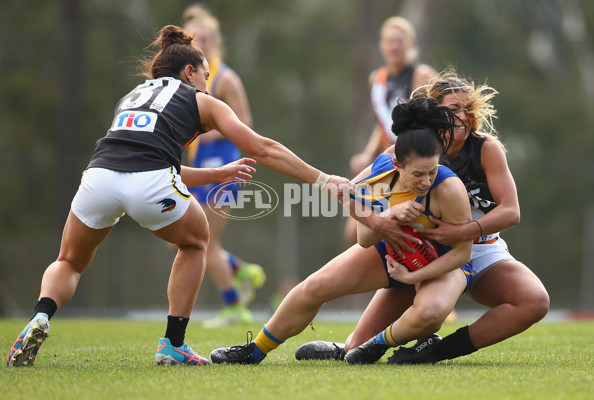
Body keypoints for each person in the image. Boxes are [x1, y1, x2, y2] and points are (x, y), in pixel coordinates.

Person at [6, 25, 351, 368]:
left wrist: (216, 174)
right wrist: (322, 179)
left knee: (69, 261)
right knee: (197, 241)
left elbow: (144, 160)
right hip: (150, 183)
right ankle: (173, 344)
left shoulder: (131, 97)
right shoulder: (201, 100)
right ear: (189, 72)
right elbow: (262, 147)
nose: (207, 81)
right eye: (205, 74)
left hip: (99, 178)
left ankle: (42, 314)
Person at [295, 70, 550, 364]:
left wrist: (462, 232)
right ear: (434, 113)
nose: (464, 116)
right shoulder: (409, 150)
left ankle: (436, 350)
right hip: (419, 248)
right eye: (453, 109)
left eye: (468, 109)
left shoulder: (485, 149)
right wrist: (379, 222)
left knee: (535, 301)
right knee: (356, 350)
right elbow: (352, 192)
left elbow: (511, 212)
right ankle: (347, 346)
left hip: (479, 249)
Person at [209, 96, 474, 365]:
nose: (427, 181)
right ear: (397, 164)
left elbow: (463, 254)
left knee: (430, 312)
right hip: (395, 255)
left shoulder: (449, 189)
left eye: (432, 171)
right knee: (316, 286)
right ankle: (255, 351)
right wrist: (385, 216)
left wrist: (412, 276)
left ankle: (384, 345)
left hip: (440, 265)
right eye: (418, 174)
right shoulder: (381, 171)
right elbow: (363, 237)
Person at [180, 4, 266, 328]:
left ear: (215, 40)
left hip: (225, 166)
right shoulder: (186, 78)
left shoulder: (226, 78)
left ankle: (234, 306)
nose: (200, 43)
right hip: (198, 165)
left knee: (203, 241)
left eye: (205, 37)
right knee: (185, 237)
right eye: (194, 38)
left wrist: (207, 129)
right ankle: (240, 268)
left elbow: (246, 122)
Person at [345, 16, 437, 245]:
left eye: (400, 40)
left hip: (416, 159)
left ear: (411, 45)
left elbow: (441, 117)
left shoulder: (422, 75)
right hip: (391, 159)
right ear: (382, 45)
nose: (395, 46)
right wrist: (367, 155)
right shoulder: (376, 79)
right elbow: (384, 123)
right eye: (390, 41)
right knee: (353, 230)